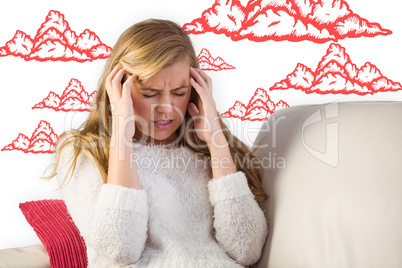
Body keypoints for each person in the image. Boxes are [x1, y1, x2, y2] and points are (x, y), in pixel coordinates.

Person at [47, 18, 268, 267]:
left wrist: (217, 141)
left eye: (179, 92)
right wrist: (122, 137)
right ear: (118, 88)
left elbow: (246, 249)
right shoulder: (82, 152)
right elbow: (120, 249)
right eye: (150, 93)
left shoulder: (209, 151)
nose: (167, 109)